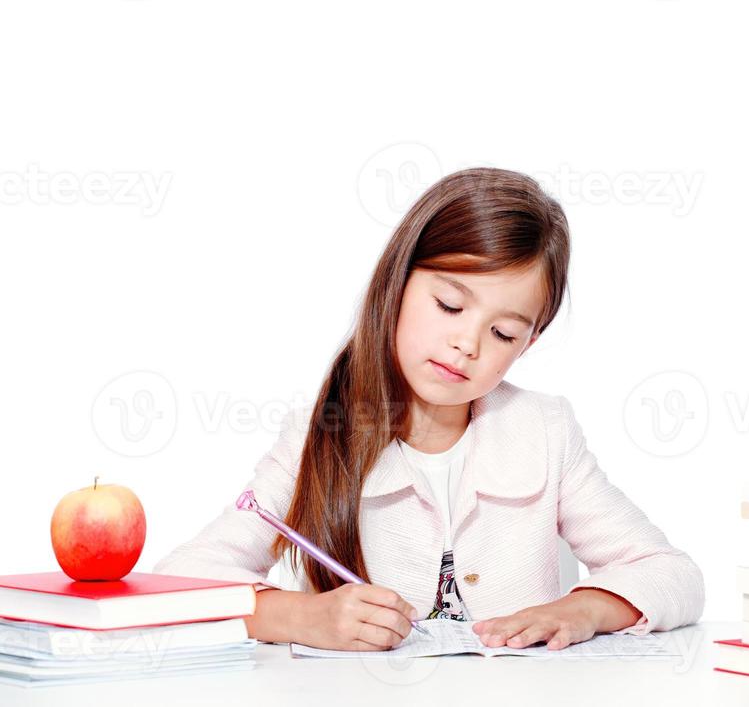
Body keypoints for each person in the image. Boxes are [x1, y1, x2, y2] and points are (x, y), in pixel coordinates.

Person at [153, 166, 705, 652]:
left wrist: (583, 608)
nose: (468, 343)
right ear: (397, 282)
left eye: (503, 332)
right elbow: (176, 583)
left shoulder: (543, 431)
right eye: (449, 305)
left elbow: (675, 577)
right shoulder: (321, 432)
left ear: (527, 344)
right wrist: (299, 617)